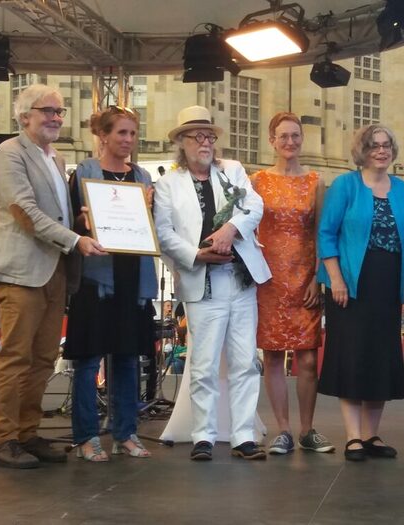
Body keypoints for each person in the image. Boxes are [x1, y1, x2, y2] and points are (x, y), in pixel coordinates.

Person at [0, 84, 105, 469]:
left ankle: (27, 433)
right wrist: (76, 240)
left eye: (60, 111)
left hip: (54, 271)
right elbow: (25, 213)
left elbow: (56, 214)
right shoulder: (9, 153)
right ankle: (4, 439)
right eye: (48, 111)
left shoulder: (56, 158)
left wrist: (85, 221)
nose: (56, 117)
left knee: (41, 359)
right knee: (15, 358)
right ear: (24, 117)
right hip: (22, 272)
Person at [154, 105, 271, 461]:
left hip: (240, 280)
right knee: (203, 364)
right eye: (196, 136)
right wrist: (196, 254)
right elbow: (163, 233)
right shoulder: (168, 184)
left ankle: (242, 435)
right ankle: (203, 435)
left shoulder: (232, 170)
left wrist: (229, 230)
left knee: (245, 361)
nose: (205, 142)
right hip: (201, 283)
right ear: (182, 142)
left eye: (209, 136)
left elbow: (254, 205)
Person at [317, 124, 404, 461]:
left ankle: (371, 434)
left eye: (387, 145)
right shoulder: (346, 186)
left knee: (380, 357)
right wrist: (335, 279)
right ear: (362, 151)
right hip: (349, 284)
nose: (382, 150)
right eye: (374, 145)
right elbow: (326, 234)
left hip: (387, 284)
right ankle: (352, 437)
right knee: (352, 357)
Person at [64, 105, 157, 462]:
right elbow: (72, 222)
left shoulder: (144, 176)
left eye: (132, 133)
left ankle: (125, 433)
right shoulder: (85, 172)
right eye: (121, 133)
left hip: (133, 278)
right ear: (103, 135)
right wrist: (83, 219)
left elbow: (151, 228)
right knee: (88, 361)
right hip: (96, 277)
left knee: (126, 359)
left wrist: (150, 208)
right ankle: (87, 436)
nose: (128, 140)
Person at [251, 112, 333, 455]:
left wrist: (319, 275)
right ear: (272, 140)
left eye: (295, 136)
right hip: (268, 276)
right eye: (283, 136)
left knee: (309, 358)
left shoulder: (315, 182)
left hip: (304, 277)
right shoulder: (255, 181)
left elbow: (320, 233)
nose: (289, 142)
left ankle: (307, 429)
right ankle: (282, 429)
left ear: (302, 140)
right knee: (272, 355)